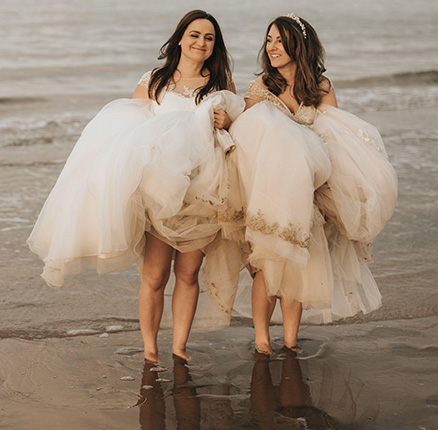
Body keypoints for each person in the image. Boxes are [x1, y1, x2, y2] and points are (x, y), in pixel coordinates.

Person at [27, 10, 244, 363]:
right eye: (194, 35)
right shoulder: (154, 80)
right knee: (155, 276)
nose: (201, 43)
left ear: (214, 45)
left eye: (209, 38)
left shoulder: (221, 82)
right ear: (179, 38)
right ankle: (150, 349)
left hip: (203, 192)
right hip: (157, 194)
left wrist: (229, 119)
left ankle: (178, 347)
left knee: (188, 274)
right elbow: (129, 132)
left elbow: (236, 132)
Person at [228, 14, 398, 355]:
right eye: (270, 40)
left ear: (299, 45)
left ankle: (290, 341)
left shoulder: (320, 88)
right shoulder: (261, 87)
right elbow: (243, 139)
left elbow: (336, 139)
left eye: (280, 40)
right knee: (268, 265)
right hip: (270, 192)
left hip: (309, 190)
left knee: (299, 266)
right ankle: (262, 340)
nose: (272, 47)